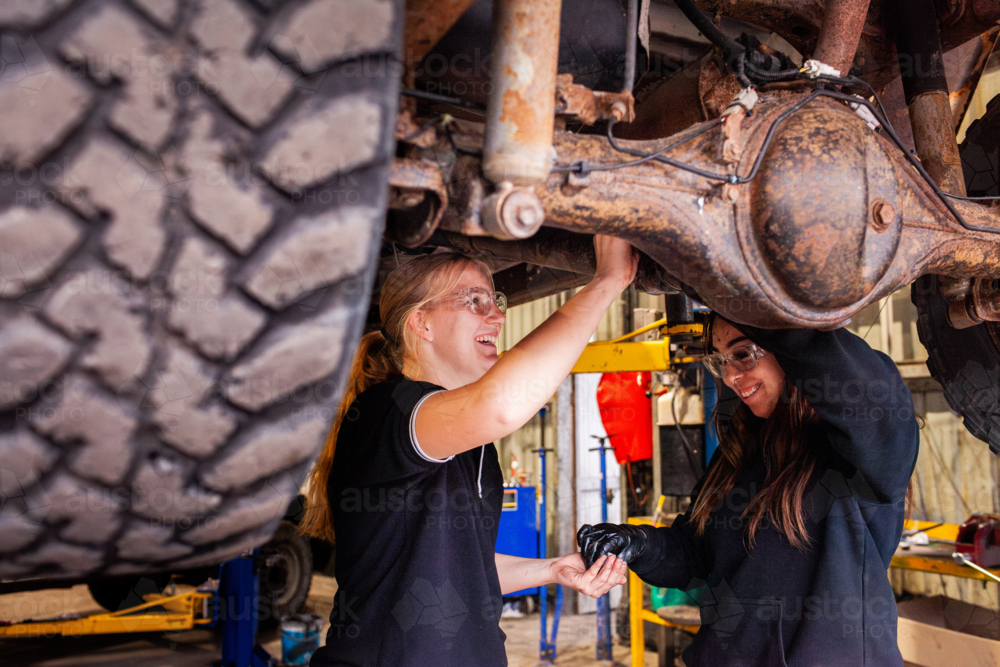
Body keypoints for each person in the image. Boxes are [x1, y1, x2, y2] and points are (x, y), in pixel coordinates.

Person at [303, 236, 638, 667]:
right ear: (421, 323)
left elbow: (468, 570)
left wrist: (553, 569)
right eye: (473, 300)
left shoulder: (469, 444)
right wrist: (607, 281)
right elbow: (499, 405)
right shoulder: (385, 412)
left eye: (494, 299)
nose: (497, 315)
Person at [577, 313, 919, 666]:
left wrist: (761, 299)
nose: (730, 376)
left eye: (743, 355)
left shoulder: (861, 450)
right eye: (720, 362)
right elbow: (697, 553)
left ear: (790, 348)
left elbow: (867, 390)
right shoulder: (738, 453)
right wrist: (639, 544)